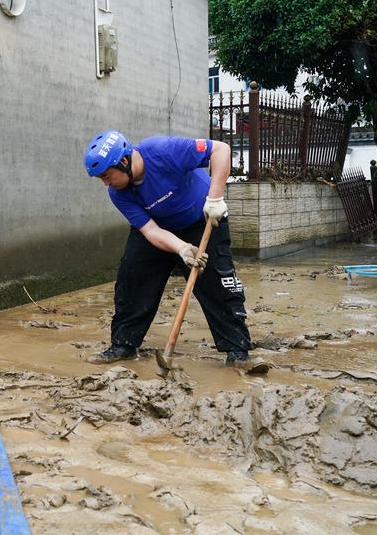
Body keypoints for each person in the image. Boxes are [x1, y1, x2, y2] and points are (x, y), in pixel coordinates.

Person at [83, 130, 268, 374]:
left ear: (124, 162)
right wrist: (181, 248)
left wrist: (215, 199)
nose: (105, 184)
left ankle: (237, 351)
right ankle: (124, 345)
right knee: (132, 277)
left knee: (217, 281)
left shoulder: (163, 151)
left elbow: (220, 149)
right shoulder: (118, 194)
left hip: (203, 218)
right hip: (159, 228)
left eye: (107, 176)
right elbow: (149, 231)